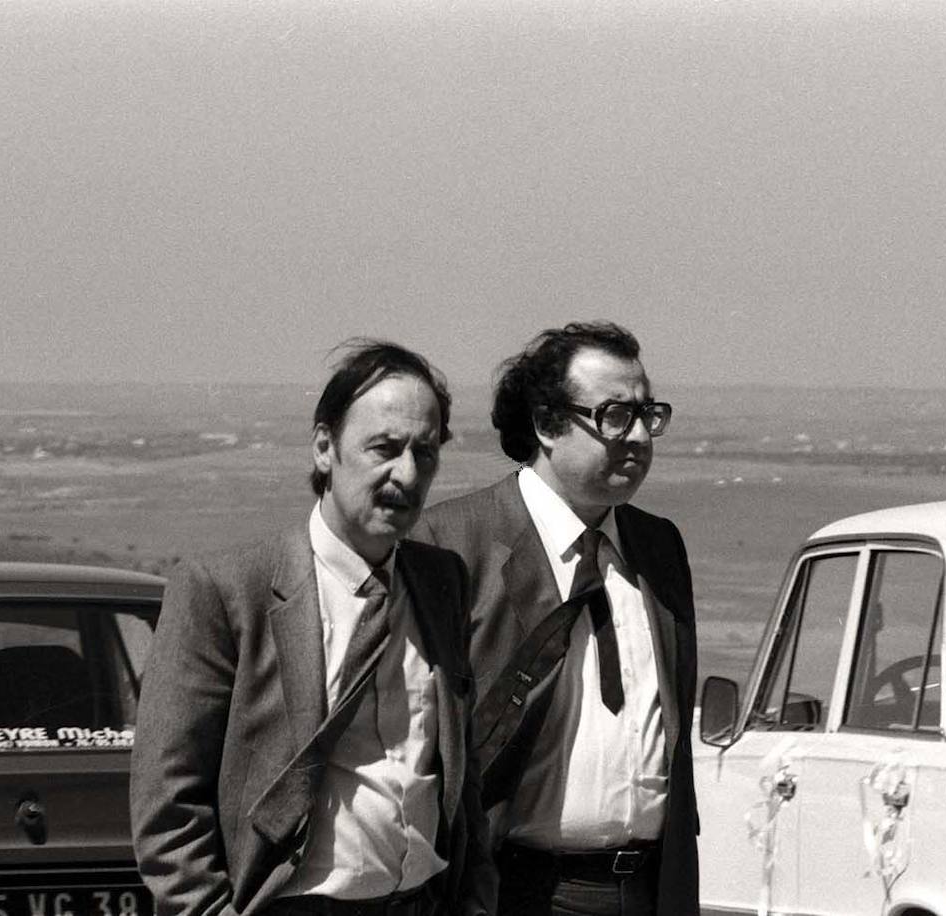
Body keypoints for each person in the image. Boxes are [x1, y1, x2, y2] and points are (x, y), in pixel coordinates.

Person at [131, 341, 495, 916]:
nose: (407, 473)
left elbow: (457, 767)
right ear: (325, 447)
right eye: (385, 448)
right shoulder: (227, 591)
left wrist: (475, 896)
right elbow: (168, 805)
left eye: (426, 454)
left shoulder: (440, 581)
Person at [412, 321, 698, 916]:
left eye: (650, 415)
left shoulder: (659, 548)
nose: (640, 435)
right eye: (616, 414)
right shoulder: (453, 545)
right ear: (547, 424)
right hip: (515, 893)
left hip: (647, 888)